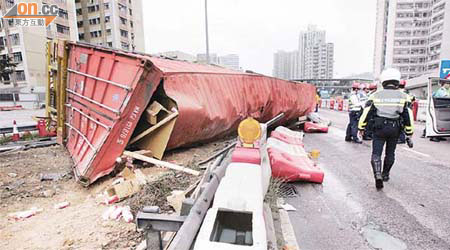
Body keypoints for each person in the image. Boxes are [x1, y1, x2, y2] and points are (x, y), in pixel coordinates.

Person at [358, 68, 414, 189]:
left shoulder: (375, 95)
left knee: (376, 153)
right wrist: (409, 132)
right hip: (395, 128)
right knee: (390, 153)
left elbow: (367, 112)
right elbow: (407, 115)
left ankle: (377, 174)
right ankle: (385, 174)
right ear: (397, 82)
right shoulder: (404, 96)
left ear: (383, 82)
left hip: (379, 128)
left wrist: (361, 127)